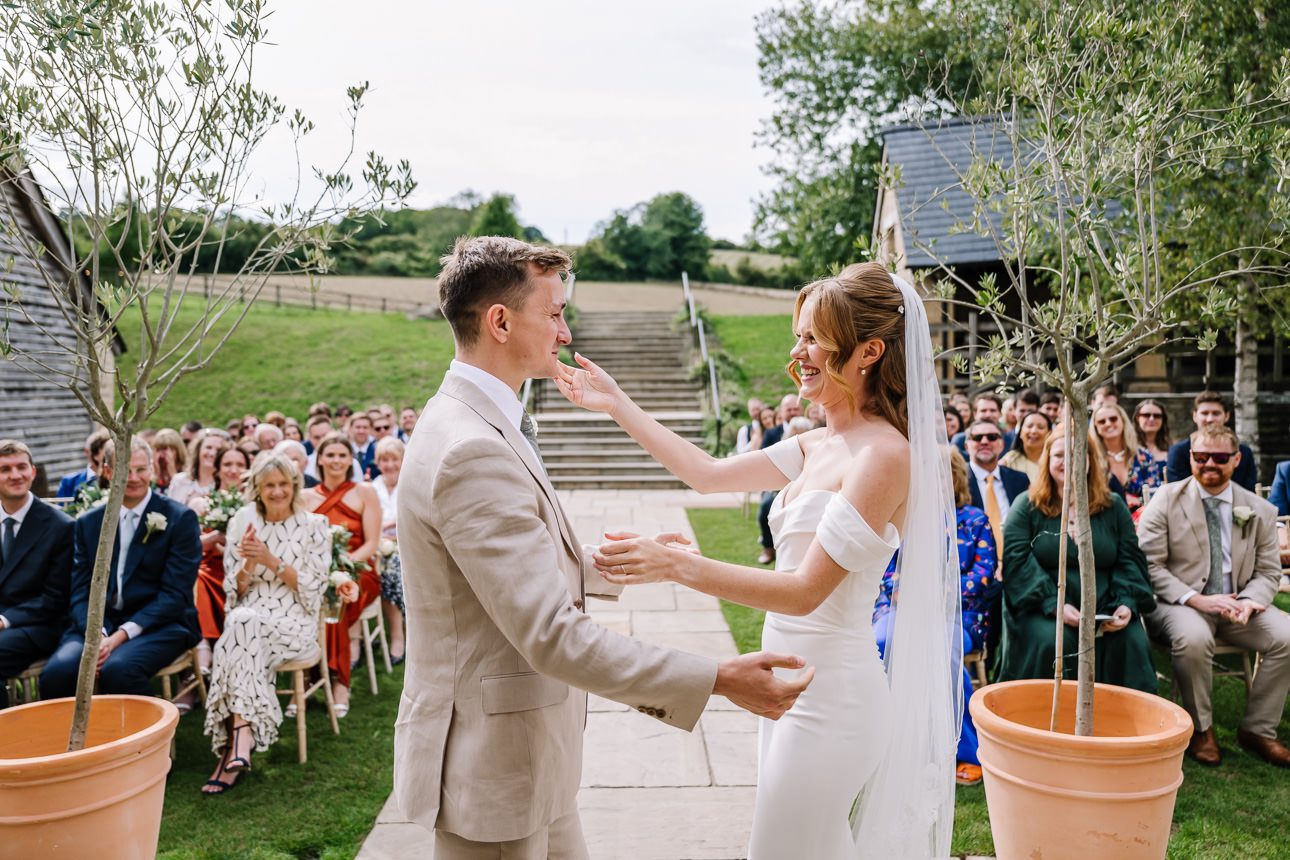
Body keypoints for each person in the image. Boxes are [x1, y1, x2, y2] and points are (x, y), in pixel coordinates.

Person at [398, 236, 809, 857]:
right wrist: (717, 679)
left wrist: (615, 564)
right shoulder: (471, 448)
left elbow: (493, 571)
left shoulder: (469, 418)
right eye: (555, 314)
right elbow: (550, 634)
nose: (564, 334)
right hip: (494, 772)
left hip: (531, 757)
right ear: (501, 322)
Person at [565, 260, 962, 858]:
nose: (799, 352)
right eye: (797, 336)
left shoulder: (883, 456)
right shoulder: (816, 442)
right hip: (784, 688)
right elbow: (706, 475)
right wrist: (617, 403)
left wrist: (675, 566)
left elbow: (805, 590)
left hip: (834, 700)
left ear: (869, 351)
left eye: (814, 339)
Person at [1139, 425, 1290, 767]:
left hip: (1237, 606)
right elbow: (1149, 565)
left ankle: (1259, 729)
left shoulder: (1259, 509)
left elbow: (1269, 571)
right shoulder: (1166, 499)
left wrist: (1251, 601)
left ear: (1236, 460)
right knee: (1193, 638)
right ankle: (1201, 729)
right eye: (1201, 456)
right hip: (1177, 604)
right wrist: (1195, 598)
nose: (1209, 463)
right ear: (1190, 457)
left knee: (1287, 635)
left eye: (1220, 457)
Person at [200, 453, 330, 795]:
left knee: (238, 633)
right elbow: (235, 590)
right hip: (251, 618)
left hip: (294, 622)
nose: (277, 492)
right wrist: (245, 564)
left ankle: (233, 745)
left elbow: (313, 592)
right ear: (257, 488)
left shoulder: (314, 526)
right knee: (243, 621)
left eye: (283, 484)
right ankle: (241, 739)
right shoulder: (243, 520)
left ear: (295, 485)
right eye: (269, 485)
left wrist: (270, 560)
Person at [995, 428, 1157, 691]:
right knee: (1056, 642)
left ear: (1090, 461)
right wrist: (1054, 604)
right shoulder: (1026, 505)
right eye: (1059, 455)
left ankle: (1126, 726)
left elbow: (1130, 559)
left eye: (1076, 454)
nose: (1067, 461)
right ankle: (1050, 723)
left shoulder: (1112, 506)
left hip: (1105, 603)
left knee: (1131, 642)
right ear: (1046, 460)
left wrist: (1125, 602)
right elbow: (1017, 560)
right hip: (1041, 606)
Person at [873, 447, 997, 787]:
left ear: (954, 477)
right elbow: (884, 570)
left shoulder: (974, 520)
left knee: (942, 648)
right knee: (880, 643)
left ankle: (966, 751)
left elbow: (982, 574)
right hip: (899, 608)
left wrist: (936, 593)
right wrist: (910, 594)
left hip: (958, 615)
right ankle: (879, 744)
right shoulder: (901, 518)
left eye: (938, 472)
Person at [41, 438, 202, 698]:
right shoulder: (89, 523)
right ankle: (71, 739)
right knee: (58, 673)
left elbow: (175, 594)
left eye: (141, 469)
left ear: (151, 469)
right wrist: (99, 634)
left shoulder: (179, 519)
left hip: (160, 623)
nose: (134, 477)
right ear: (107, 471)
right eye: (125, 470)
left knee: (119, 670)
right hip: (98, 625)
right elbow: (81, 590)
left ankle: (149, 736)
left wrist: (119, 637)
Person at [303, 431, 380, 714]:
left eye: (342, 455)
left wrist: (343, 564)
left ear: (350, 460)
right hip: (317, 572)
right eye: (330, 455)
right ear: (320, 458)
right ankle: (308, 676)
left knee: (337, 598)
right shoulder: (304, 497)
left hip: (360, 570)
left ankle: (338, 682)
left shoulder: (365, 492)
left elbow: (371, 543)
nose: (336, 460)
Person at [0, 440, 74, 709]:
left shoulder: (60, 526)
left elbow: (55, 598)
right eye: (5, 469)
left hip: (41, 624)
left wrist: (5, 620)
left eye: (21, 467)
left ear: (33, 472)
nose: (15, 475)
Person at [188, 445, 250, 684]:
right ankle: (203, 650)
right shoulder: (200, 503)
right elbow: (189, 546)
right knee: (197, 578)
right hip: (207, 566)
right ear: (217, 469)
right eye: (227, 465)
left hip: (241, 569)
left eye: (239, 465)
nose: (233, 470)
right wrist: (214, 537)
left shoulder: (253, 505)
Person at [1166, 391, 1257, 491]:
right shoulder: (1178, 451)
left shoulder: (1244, 452)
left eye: (1216, 413)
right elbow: (1177, 491)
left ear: (1226, 416)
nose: (1210, 419)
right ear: (1195, 416)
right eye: (1204, 413)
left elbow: (1248, 491)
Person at [371, 436, 406, 664]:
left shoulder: (409, 481)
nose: (390, 464)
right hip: (379, 545)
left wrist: (386, 526)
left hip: (406, 544)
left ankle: (398, 635)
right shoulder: (374, 486)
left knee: (391, 569)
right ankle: (398, 631)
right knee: (382, 570)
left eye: (394, 459)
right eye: (385, 459)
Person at [756, 395, 803, 565]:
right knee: (765, 508)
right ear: (781, 412)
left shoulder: (810, 429)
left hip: (804, 482)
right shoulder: (772, 433)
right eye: (788, 410)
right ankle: (768, 548)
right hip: (776, 485)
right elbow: (763, 460)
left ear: (802, 410)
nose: (792, 413)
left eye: (795, 409)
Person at [1092, 402, 1161, 509]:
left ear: (1123, 421)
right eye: (1102, 421)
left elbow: (1157, 493)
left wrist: (1138, 500)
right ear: (1096, 427)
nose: (1108, 423)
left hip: (1141, 518)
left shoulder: (1143, 456)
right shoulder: (1092, 459)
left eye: (1113, 419)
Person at [168, 429, 229, 506]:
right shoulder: (179, 480)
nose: (213, 453)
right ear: (198, 450)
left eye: (219, 450)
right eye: (208, 447)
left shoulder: (225, 485)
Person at [1000, 410, 1052, 483]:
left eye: (1040, 427)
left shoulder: (1054, 460)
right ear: (1020, 432)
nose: (1034, 431)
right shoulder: (1009, 460)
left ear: (1049, 434)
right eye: (1029, 426)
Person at [57, 428, 109, 500]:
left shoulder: (116, 480)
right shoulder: (68, 482)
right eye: (95, 450)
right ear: (87, 452)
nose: (106, 455)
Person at [1133, 398, 1172, 465]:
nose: (1152, 419)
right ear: (1137, 418)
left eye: (1157, 416)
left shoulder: (1172, 449)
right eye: (1146, 415)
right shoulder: (1128, 447)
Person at [151, 428, 188, 496]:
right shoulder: (149, 475)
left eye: (167, 450)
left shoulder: (186, 475)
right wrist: (157, 472)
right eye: (159, 449)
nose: (162, 455)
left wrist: (172, 473)